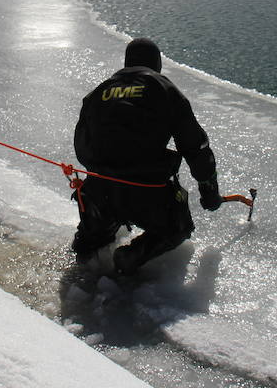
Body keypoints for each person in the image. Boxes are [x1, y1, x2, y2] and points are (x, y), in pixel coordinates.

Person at [72, 37, 222, 275]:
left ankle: (88, 246)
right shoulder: (164, 89)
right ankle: (131, 256)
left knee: (92, 235)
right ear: (157, 63)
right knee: (179, 227)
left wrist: (106, 170)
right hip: (146, 193)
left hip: (99, 191)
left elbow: (81, 146)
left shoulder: (97, 93)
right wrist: (209, 191)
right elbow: (195, 147)